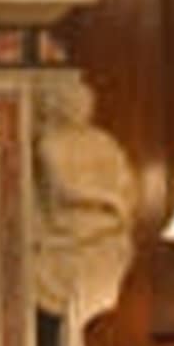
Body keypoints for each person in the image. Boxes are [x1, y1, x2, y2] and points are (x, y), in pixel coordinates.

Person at [29, 78, 134, 320]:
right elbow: (65, 189)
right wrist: (111, 201)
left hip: (105, 222)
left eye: (85, 102)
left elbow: (123, 179)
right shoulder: (51, 143)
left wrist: (118, 202)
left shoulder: (103, 141)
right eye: (74, 102)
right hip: (71, 225)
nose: (82, 107)